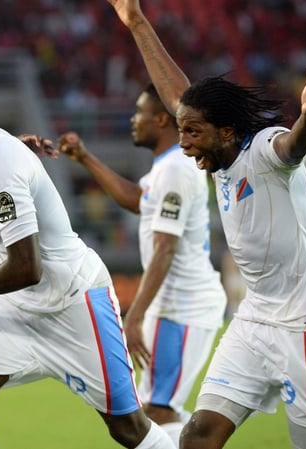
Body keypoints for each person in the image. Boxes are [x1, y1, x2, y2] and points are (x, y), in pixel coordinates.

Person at [107, 1, 306, 448]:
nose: (185, 145)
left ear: (226, 131)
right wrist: (137, 22)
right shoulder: (218, 151)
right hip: (255, 320)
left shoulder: (264, 151)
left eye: (193, 134)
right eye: (182, 132)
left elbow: (293, 147)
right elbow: (180, 98)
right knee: (197, 437)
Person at [0, 106, 176, 449]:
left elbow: (26, 269)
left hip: (74, 300)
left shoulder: (1, 168)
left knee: (128, 428)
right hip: (17, 305)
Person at [54, 82, 227, 444]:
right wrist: (85, 157)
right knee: (153, 407)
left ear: (161, 119)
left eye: (139, 113)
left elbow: (165, 248)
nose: (133, 120)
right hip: (170, 306)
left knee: (158, 410)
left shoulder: (178, 169)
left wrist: (134, 316)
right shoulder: (166, 168)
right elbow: (137, 199)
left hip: (183, 307)